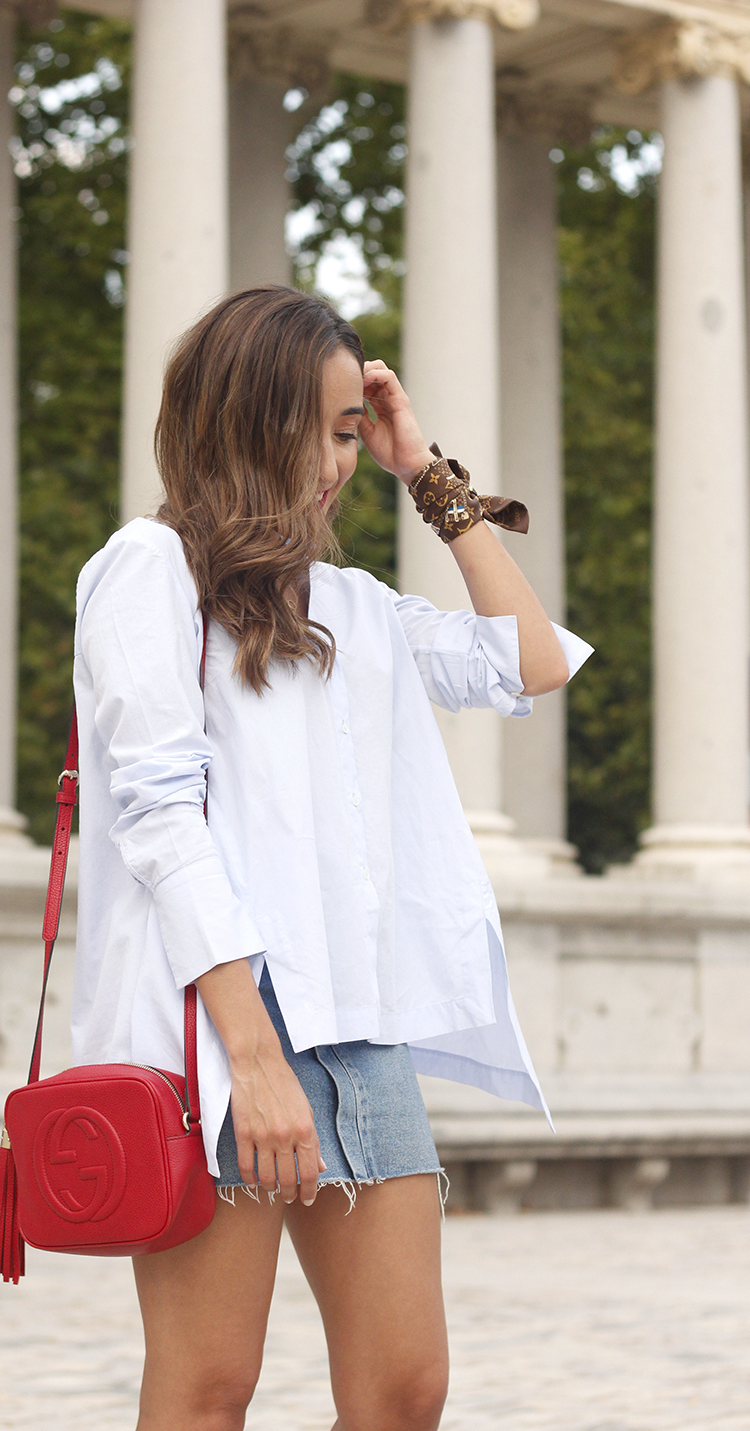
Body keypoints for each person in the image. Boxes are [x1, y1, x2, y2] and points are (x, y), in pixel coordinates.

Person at [71, 286, 591, 1431]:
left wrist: (431, 482)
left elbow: (532, 662)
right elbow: (161, 819)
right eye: (314, 427)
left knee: (406, 1392)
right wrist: (249, 1058)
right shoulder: (147, 571)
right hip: (220, 1040)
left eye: (350, 430)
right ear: (238, 420)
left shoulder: (356, 607)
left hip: (359, 1039)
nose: (334, 458)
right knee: (210, 1390)